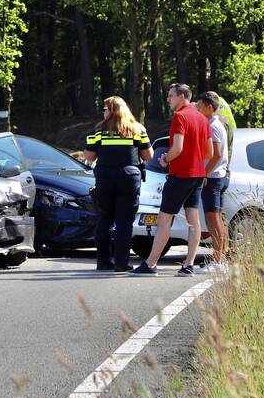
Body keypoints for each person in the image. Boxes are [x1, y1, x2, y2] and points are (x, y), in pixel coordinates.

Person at [130, 83, 210, 277]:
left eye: (170, 96)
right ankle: (188, 265)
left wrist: (165, 159)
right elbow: (210, 151)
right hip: (198, 175)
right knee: (193, 220)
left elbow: (177, 148)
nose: (168, 99)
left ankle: (151, 264)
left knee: (164, 219)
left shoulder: (180, 116)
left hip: (181, 175)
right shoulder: (202, 117)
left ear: (182, 97)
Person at [84, 96, 152, 272]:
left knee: (104, 219)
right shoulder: (137, 129)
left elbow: (89, 157)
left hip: (105, 177)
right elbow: (148, 155)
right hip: (129, 178)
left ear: (113, 111)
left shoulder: (98, 130)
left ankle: (103, 261)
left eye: (105, 109)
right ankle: (122, 263)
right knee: (124, 221)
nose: (103, 112)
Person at [194, 92, 228, 273]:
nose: (197, 109)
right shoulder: (214, 124)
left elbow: (215, 154)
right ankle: (220, 259)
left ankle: (217, 261)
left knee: (213, 219)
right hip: (218, 177)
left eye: (199, 106)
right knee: (217, 219)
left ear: (209, 106)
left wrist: (204, 174)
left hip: (213, 178)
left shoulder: (213, 126)